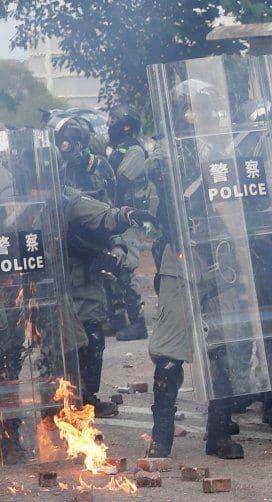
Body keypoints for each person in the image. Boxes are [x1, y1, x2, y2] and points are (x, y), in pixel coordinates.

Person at [145, 78, 244, 459]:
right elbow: (167, 206)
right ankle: (161, 434)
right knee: (170, 351)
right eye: (195, 108)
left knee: (222, 348)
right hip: (181, 259)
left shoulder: (224, 148)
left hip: (222, 257)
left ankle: (218, 433)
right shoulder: (166, 155)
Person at [51, 115, 120, 417]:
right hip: (59, 260)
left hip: (88, 260)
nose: (70, 147)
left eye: (75, 141)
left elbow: (109, 210)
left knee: (93, 331)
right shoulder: (50, 170)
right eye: (64, 141)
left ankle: (87, 395)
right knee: (62, 334)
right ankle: (64, 397)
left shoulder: (99, 169)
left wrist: (116, 246)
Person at [106, 104, 150, 341]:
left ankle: (137, 322)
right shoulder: (118, 149)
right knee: (112, 267)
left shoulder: (134, 150)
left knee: (125, 269)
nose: (109, 124)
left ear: (126, 125)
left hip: (128, 218)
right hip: (115, 215)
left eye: (114, 120)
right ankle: (116, 318)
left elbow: (120, 180)